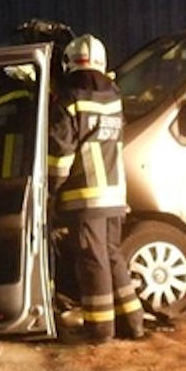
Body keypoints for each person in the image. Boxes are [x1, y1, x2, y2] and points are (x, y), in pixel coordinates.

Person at [47, 34, 145, 343]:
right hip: (114, 194)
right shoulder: (113, 95)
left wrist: (50, 189)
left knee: (93, 260)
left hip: (84, 197)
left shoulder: (70, 99)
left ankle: (100, 329)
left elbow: (60, 154)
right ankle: (133, 322)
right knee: (112, 255)